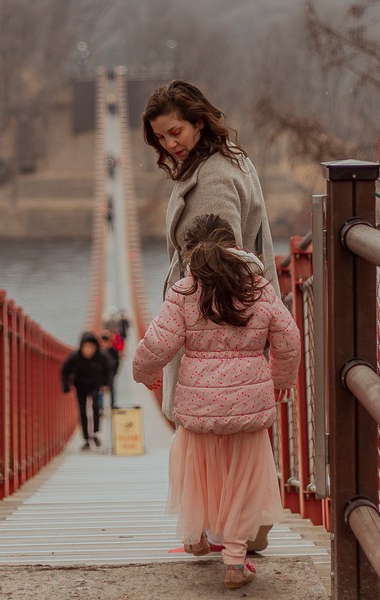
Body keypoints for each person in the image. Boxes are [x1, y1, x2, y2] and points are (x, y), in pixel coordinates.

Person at [142, 79, 281, 551]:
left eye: (176, 132)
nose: (169, 144)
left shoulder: (215, 177)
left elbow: (219, 261)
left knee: (211, 428)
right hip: (225, 314)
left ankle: (224, 532)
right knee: (229, 428)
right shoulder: (224, 160)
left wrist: (177, 324)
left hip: (212, 319)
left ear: (199, 122)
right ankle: (223, 530)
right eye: (161, 137)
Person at [132, 214, 300, 590]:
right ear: (236, 247)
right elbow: (288, 337)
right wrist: (281, 379)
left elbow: (157, 345)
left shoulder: (184, 292)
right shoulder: (259, 288)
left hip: (199, 406)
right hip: (249, 404)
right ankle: (235, 563)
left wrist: (144, 375)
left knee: (196, 470)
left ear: (188, 252)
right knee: (243, 480)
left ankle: (194, 536)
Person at [61, 332, 112, 449]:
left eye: (91, 347)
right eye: (86, 347)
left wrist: (106, 384)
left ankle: (95, 434)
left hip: (95, 385)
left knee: (95, 408)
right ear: (81, 347)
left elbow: (108, 370)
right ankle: (86, 438)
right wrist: (66, 387)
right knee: (83, 410)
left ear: (96, 348)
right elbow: (64, 370)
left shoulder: (102, 356)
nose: (88, 350)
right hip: (80, 386)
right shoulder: (75, 357)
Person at [99, 329, 120, 409]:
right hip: (100, 373)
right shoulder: (99, 351)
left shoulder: (114, 351)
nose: (105, 343)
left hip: (110, 373)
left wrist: (114, 373)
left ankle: (112, 405)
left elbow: (117, 363)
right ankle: (100, 406)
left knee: (111, 388)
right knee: (99, 389)